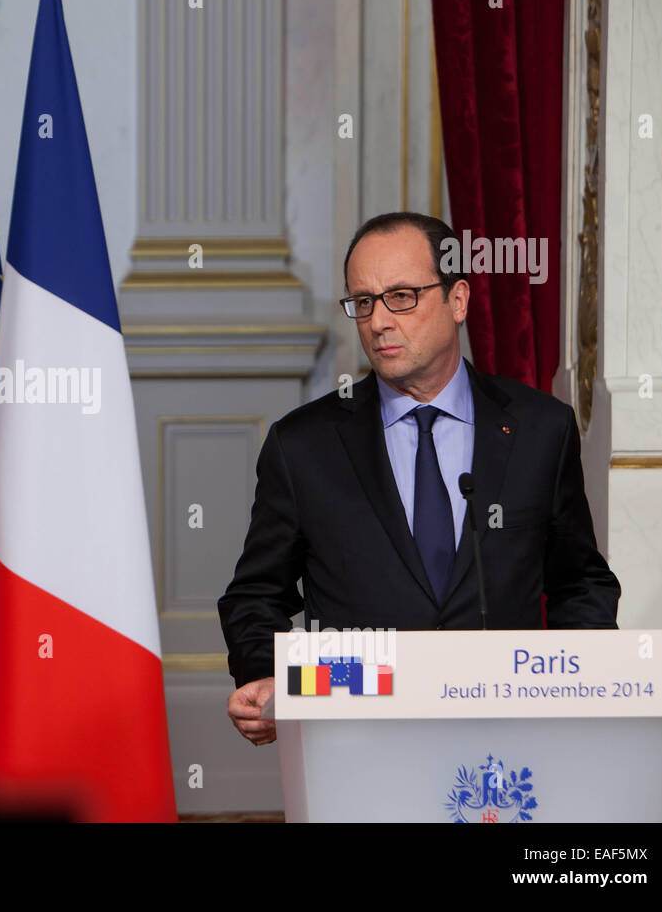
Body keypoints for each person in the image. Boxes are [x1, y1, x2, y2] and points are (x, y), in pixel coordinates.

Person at [219, 212, 620, 746]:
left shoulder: (540, 429)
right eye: (363, 302)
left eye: (401, 296)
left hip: (506, 745)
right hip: (356, 741)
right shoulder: (303, 446)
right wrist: (263, 672)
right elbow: (253, 596)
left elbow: (581, 585)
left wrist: (582, 698)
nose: (379, 321)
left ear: (458, 300)